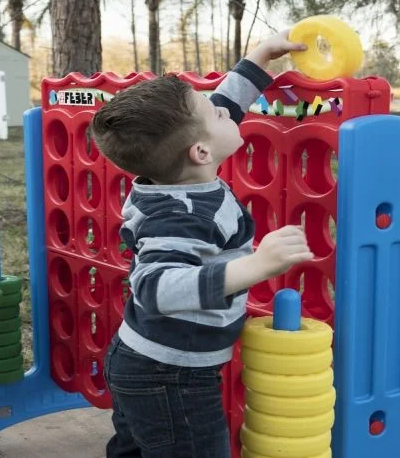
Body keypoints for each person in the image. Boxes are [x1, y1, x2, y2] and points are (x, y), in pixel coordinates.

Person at [89, 31, 314, 457]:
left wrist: (258, 59)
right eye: (216, 114)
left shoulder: (178, 171)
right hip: (169, 374)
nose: (226, 111)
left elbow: (221, 108)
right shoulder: (181, 213)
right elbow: (155, 287)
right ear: (201, 153)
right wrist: (255, 266)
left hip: (145, 359)